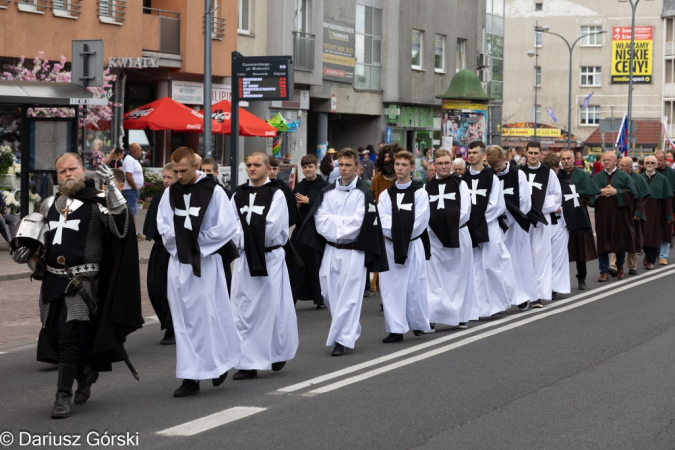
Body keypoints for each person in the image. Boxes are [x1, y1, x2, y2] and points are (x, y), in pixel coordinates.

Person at [11, 153, 142, 418]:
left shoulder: (98, 203)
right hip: (52, 280)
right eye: (62, 171)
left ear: (82, 170)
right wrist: (28, 254)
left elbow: (121, 229)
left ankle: (62, 397)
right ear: (56, 176)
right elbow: (40, 244)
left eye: (72, 169)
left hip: (82, 282)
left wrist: (114, 191)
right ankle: (85, 371)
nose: (68, 174)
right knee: (53, 337)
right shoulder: (52, 204)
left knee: (69, 337)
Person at [156, 147, 242, 397]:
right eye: (175, 171)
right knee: (183, 320)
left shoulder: (213, 191)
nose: (179, 176)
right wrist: (183, 244)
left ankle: (219, 364)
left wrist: (196, 243)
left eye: (184, 170)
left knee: (208, 317)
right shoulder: (169, 193)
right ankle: (190, 377)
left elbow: (226, 227)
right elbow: (164, 226)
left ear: (196, 165)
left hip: (206, 263)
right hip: (179, 262)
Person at [297, 148, 388, 356]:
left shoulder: (363, 193)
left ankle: (343, 339)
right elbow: (320, 220)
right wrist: (340, 225)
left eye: (348, 165)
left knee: (349, 297)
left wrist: (335, 223)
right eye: (341, 165)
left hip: (353, 251)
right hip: (331, 250)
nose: (344, 169)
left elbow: (358, 223)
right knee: (329, 294)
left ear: (357, 168)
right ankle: (347, 330)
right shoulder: (328, 192)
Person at [230, 152, 298, 380]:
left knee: (271, 310)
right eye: (248, 164)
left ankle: (278, 352)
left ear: (267, 167)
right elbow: (230, 225)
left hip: (269, 258)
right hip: (244, 259)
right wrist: (241, 239)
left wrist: (242, 236)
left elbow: (272, 228)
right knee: (242, 311)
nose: (252, 168)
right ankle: (247, 363)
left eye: (257, 165)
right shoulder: (238, 195)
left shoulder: (276, 195)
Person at [378, 151, 431, 342]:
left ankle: (417, 323)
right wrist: (396, 231)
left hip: (412, 244)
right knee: (391, 288)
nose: (399, 168)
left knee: (414, 287)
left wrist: (400, 231)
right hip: (391, 246)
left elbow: (420, 220)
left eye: (403, 165)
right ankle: (395, 328)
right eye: (397, 164)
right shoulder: (386, 194)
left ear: (411, 168)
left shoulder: (420, 192)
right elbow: (382, 218)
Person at [462, 141, 514, 316]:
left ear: (483, 155)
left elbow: (497, 205)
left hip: (489, 226)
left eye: (475, 152)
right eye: (469, 152)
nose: (471, 155)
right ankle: (478, 307)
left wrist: (480, 220)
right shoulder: (463, 179)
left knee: (492, 265)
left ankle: (497, 302)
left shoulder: (491, 177)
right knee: (474, 267)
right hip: (469, 228)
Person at [425, 149, 474, 329]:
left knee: (459, 277)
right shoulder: (427, 187)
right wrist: (437, 231)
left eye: (447, 163)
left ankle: (460, 315)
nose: (444, 166)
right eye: (440, 163)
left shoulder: (461, 184)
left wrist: (448, 229)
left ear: (452, 163)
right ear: (434, 165)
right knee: (434, 278)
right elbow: (424, 213)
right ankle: (432, 315)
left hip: (458, 234)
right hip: (434, 239)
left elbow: (465, 211)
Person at [487, 145, 537, 310]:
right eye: (492, 167)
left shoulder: (518, 174)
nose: (496, 170)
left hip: (514, 226)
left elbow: (525, 201)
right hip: (495, 224)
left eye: (498, 166)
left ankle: (520, 295)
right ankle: (498, 299)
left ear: (504, 160)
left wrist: (507, 218)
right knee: (496, 262)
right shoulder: (489, 176)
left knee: (516, 261)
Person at [521, 141, 562, 307]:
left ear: (541, 154)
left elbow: (556, 196)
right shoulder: (519, 172)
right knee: (523, 258)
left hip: (541, 220)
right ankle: (523, 295)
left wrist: (540, 208)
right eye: (530, 153)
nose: (532, 156)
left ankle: (537, 295)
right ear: (525, 153)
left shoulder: (548, 173)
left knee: (540, 258)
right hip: (522, 221)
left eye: (536, 153)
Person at [143, 163, 177, 345]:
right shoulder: (158, 197)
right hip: (160, 249)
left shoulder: (181, 197)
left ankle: (172, 327)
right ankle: (168, 322)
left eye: (169, 177)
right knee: (156, 288)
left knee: (172, 289)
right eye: (163, 177)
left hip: (176, 251)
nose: (165, 181)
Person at [591, 151, 638, 282]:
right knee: (602, 242)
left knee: (619, 241)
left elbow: (632, 193)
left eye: (609, 160)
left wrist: (616, 192)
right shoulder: (597, 177)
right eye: (604, 160)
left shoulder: (624, 176)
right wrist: (599, 193)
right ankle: (603, 271)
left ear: (615, 161)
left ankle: (620, 267)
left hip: (618, 215)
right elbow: (590, 193)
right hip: (602, 214)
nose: (606, 162)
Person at [291, 154, 330, 308]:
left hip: (315, 231)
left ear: (316, 167)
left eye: (310, 166)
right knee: (295, 263)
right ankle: (293, 296)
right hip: (300, 230)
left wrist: (309, 201)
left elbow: (327, 206)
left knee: (315, 264)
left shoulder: (323, 186)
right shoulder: (299, 187)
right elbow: (291, 211)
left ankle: (319, 298)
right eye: (305, 167)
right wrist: (297, 207)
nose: (307, 169)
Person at [560, 149, 600, 290]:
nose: (566, 161)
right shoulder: (557, 175)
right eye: (563, 159)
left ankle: (581, 278)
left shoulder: (582, 174)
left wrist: (573, 201)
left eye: (568, 158)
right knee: (560, 250)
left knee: (580, 248)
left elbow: (587, 195)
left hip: (579, 215)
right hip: (562, 218)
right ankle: (558, 282)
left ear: (573, 159)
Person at [610, 157, 649, 276]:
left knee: (633, 239)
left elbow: (643, 197)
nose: (620, 167)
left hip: (633, 213)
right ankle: (613, 265)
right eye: (620, 165)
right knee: (616, 238)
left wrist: (638, 212)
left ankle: (632, 266)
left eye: (623, 166)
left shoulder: (638, 179)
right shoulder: (616, 176)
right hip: (619, 212)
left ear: (630, 167)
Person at [369, 144, 398, 293]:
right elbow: (371, 204)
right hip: (381, 226)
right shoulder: (376, 181)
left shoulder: (403, 180)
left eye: (390, 157)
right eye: (384, 157)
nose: (387, 160)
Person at [542, 153, 571, 299]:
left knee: (558, 256)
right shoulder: (541, 180)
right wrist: (553, 207)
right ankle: (547, 286)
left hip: (560, 222)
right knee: (546, 256)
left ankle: (554, 286)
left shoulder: (563, 181)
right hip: (547, 221)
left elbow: (570, 201)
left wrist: (561, 207)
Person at [641, 155, 673, 269]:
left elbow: (667, 199)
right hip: (642, 211)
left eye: (652, 163)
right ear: (644, 164)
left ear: (656, 165)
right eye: (647, 162)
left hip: (657, 211)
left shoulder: (662, 179)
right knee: (643, 236)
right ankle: (647, 253)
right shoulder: (640, 178)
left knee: (654, 236)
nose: (650, 164)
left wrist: (669, 216)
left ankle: (651, 260)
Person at [655, 151, 675, 264]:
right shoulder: (651, 172)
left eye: (660, 160)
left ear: (665, 160)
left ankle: (663, 255)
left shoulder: (671, 173)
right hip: (654, 205)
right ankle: (654, 252)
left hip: (668, 205)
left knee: (666, 230)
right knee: (653, 230)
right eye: (656, 160)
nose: (658, 162)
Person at [267, 156, 297, 227]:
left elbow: (291, 210)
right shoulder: (259, 186)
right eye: (269, 169)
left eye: (274, 169)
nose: (272, 172)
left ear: (279, 169)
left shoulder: (285, 188)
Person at [121, 143, 144, 220]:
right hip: (130, 190)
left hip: (132, 189)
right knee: (131, 213)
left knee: (132, 212)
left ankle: (132, 231)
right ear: (136, 150)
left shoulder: (133, 159)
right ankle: (132, 231)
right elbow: (129, 177)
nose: (141, 151)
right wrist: (135, 187)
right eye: (140, 149)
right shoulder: (130, 160)